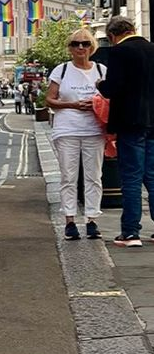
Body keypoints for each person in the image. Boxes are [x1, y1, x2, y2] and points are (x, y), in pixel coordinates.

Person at [97, 15, 154, 246]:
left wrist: (100, 85)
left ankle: (130, 232)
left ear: (112, 36)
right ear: (133, 28)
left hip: (130, 122)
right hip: (153, 122)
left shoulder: (119, 52)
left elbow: (112, 88)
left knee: (131, 178)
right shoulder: (152, 49)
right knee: (152, 177)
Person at [46, 29, 106, 240]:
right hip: (67, 129)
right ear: (70, 48)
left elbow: (111, 98)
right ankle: (70, 221)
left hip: (94, 130)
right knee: (68, 176)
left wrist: (96, 103)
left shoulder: (101, 70)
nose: (80, 47)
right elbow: (49, 100)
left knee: (94, 177)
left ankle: (92, 220)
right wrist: (72, 104)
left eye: (85, 43)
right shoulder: (61, 70)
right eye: (75, 44)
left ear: (92, 47)